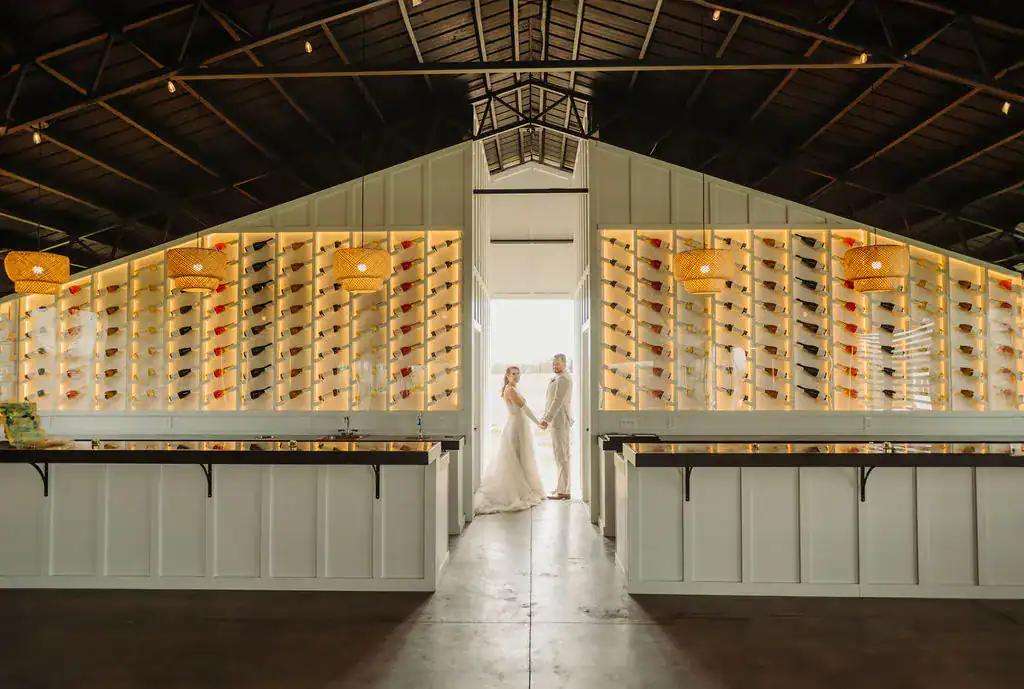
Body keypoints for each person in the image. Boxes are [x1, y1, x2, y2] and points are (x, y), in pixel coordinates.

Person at [473, 366, 546, 515]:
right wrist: (538, 422)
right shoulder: (510, 390)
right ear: (507, 375)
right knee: (514, 458)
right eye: (514, 374)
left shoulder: (513, 388)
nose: (517, 376)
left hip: (520, 425)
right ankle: (515, 491)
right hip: (515, 427)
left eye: (518, 374)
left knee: (521, 457)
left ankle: (525, 487)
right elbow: (524, 408)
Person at [540, 353, 573, 500]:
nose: (555, 366)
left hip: (561, 421)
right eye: (553, 364)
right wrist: (545, 416)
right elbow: (550, 401)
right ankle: (560, 488)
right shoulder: (558, 377)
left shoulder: (564, 378)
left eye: (558, 364)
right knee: (559, 455)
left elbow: (558, 401)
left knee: (563, 456)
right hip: (556, 421)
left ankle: (565, 491)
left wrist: (547, 419)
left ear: (564, 364)